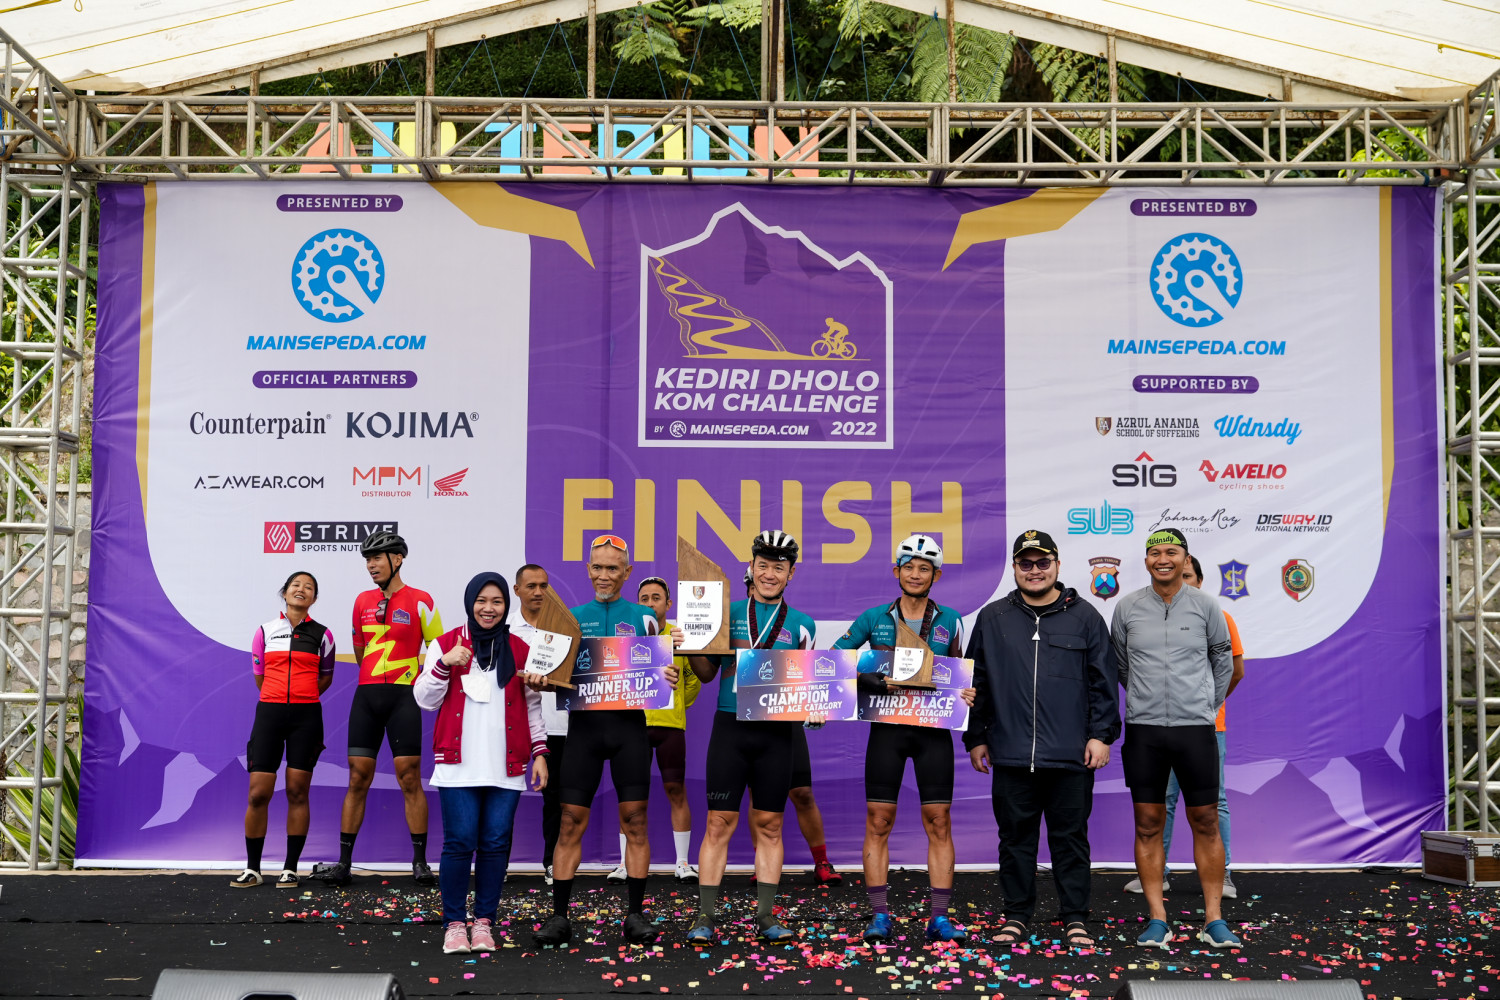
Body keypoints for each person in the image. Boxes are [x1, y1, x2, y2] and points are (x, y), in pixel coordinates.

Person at [963, 530, 1119, 951]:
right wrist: (976, 737)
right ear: (1015, 568)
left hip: (1071, 756)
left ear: (1057, 565)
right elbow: (976, 681)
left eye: (1042, 562)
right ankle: (1016, 915)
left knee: (1070, 840)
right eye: (1026, 563)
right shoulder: (993, 617)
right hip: (1011, 754)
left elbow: (1103, 684)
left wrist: (1101, 736)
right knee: (1015, 841)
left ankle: (1075, 917)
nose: (1034, 570)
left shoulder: (1086, 617)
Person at [526, 534, 681, 947]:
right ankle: (559, 917)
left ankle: (635, 915)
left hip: (629, 730)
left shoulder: (646, 618)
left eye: (613, 568)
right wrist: (540, 679)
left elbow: (660, 672)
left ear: (626, 573)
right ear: (588, 569)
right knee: (569, 822)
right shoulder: (569, 618)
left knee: (636, 821)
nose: (604, 575)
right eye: (598, 567)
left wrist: (668, 674)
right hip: (584, 732)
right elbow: (549, 677)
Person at [834, 534, 972, 944]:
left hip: (933, 733)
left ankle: (939, 919)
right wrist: (868, 680)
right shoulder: (874, 617)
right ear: (896, 571)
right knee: (878, 822)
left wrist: (969, 692)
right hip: (887, 733)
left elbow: (961, 673)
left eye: (924, 568)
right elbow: (835, 661)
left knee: (939, 822)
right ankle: (879, 916)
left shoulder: (951, 620)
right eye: (908, 567)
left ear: (936, 576)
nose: (915, 574)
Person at [685, 530, 817, 944]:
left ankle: (765, 916)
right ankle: (705, 916)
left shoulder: (803, 625)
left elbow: (809, 684)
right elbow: (707, 675)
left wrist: (816, 707)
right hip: (730, 728)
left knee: (770, 826)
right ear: (751, 568)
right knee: (717, 822)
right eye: (763, 565)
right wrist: (690, 647)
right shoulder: (726, 613)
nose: (769, 574)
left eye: (779, 567)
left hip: (777, 734)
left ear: (791, 574)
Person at [1112, 528, 1240, 950]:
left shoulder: (1206, 605)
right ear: (1146, 560)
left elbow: (1223, 660)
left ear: (1186, 559)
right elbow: (1122, 665)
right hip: (1144, 731)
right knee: (1148, 824)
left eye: (1171, 552)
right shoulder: (1127, 607)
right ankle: (1157, 919)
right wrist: (1145, 701)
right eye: (1155, 552)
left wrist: (1204, 705)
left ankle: (1214, 920)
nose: (1162, 559)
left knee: (1206, 821)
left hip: (1196, 729)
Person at [414, 572, 548, 955]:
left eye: (497, 602)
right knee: (458, 843)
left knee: (495, 845)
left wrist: (540, 753)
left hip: (505, 766)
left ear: (506, 605)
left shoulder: (520, 648)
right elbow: (424, 699)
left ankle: (484, 923)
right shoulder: (445, 644)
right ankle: (455, 925)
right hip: (458, 766)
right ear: (470, 603)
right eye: (481, 601)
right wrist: (445, 664)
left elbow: (533, 707)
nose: (489, 609)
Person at [317, 530, 443, 887]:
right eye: (367, 560)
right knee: (357, 777)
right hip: (368, 696)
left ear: (397, 559)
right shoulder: (362, 601)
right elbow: (360, 652)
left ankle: (420, 862)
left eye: (377, 558)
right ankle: (344, 863)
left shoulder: (422, 600)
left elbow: (438, 651)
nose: (371, 565)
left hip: (405, 696)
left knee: (409, 777)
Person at [235, 571, 336, 888]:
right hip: (270, 714)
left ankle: (290, 868)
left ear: (314, 599)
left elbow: (326, 677)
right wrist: (277, 698)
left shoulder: (323, 635)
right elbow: (259, 675)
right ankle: (253, 869)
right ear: (285, 593)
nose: (301, 589)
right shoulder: (265, 631)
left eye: (309, 587)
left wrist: (301, 698)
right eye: (296, 585)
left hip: (307, 717)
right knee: (258, 793)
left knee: (297, 791)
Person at [605, 576, 702, 884]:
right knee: (631, 797)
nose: (650, 603)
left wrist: (673, 703)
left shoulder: (678, 636)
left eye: (656, 598)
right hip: (633, 726)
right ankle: (624, 863)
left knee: (676, 791)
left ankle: (683, 863)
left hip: (670, 726)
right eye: (644, 598)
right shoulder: (627, 634)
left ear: (668, 604)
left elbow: (692, 681)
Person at [510, 564, 566, 885]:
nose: (538, 592)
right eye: (531, 586)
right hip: (514, 725)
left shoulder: (564, 628)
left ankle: (552, 864)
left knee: (556, 801)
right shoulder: (504, 630)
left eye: (544, 586)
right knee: (503, 797)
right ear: (516, 590)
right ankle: (496, 864)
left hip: (558, 724)